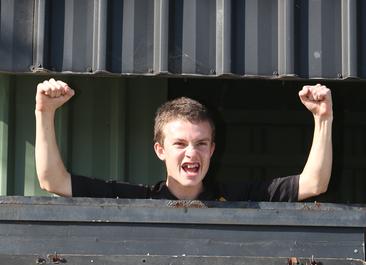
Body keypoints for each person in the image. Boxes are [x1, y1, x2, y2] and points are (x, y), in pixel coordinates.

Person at [35, 79, 333, 201]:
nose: (192, 152)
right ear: (160, 150)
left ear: (212, 149)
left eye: (201, 143)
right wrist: (44, 113)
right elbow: (53, 181)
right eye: (180, 144)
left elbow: (313, 184)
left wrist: (323, 119)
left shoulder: (240, 200)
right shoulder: (138, 200)